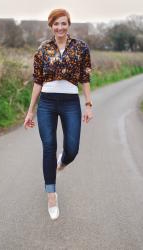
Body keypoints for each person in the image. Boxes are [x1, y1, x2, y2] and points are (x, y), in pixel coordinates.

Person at [24, 8, 93, 220]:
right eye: (56, 24)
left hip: (71, 102)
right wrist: (30, 111)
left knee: (72, 148)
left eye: (63, 23)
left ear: (69, 24)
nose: (60, 27)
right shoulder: (43, 49)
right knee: (49, 147)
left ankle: (62, 163)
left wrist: (88, 104)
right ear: (51, 26)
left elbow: (85, 77)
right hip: (46, 102)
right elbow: (37, 81)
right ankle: (51, 194)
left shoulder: (80, 47)